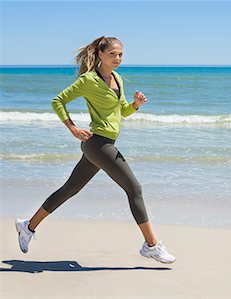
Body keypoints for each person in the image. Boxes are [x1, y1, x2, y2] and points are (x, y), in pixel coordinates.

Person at [15, 36, 176, 264]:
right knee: (134, 189)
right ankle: (152, 245)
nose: (118, 58)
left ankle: (27, 226)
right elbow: (57, 101)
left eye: (120, 54)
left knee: (69, 190)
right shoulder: (88, 80)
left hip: (101, 144)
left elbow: (122, 112)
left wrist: (136, 105)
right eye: (112, 54)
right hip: (98, 144)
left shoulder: (118, 79)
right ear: (100, 55)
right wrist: (72, 128)